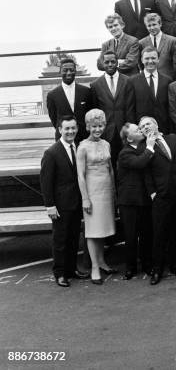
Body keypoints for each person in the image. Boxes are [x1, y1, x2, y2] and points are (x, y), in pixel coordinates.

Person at [40, 115, 89, 287]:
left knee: (74, 238)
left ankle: (71, 269)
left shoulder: (79, 147)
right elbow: (46, 182)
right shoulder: (51, 153)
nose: (71, 131)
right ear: (59, 130)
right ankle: (60, 273)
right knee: (60, 240)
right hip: (60, 205)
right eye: (67, 128)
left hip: (76, 203)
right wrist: (50, 206)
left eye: (73, 128)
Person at [140, 116, 176, 285]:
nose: (146, 127)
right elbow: (145, 172)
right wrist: (152, 193)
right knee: (159, 233)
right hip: (160, 195)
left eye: (148, 124)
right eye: (142, 127)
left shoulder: (174, 139)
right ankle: (157, 269)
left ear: (156, 124)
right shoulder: (144, 147)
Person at [76, 109, 116, 284]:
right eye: (94, 126)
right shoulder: (83, 146)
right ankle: (94, 267)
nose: (97, 129)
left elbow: (110, 169)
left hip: (107, 190)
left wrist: (114, 192)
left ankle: (101, 261)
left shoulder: (106, 144)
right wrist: (85, 198)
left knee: (103, 229)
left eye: (100, 125)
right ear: (87, 127)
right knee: (93, 231)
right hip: (92, 192)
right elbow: (80, 175)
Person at [116, 123, 154, 280]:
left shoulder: (142, 148)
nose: (141, 130)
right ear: (129, 137)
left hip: (144, 199)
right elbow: (139, 163)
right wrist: (150, 148)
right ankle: (130, 268)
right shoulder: (125, 153)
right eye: (137, 130)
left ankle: (147, 265)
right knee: (130, 236)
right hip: (129, 201)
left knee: (146, 234)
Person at [90, 50, 136, 165]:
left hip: (124, 130)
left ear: (117, 63)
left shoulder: (128, 81)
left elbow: (130, 107)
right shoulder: (95, 85)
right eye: (107, 62)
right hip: (105, 131)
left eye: (113, 61)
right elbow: (95, 111)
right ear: (102, 63)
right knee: (107, 162)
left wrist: (129, 130)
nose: (110, 64)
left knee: (126, 162)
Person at [47, 57, 93, 145]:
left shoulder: (86, 92)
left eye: (71, 70)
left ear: (75, 71)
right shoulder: (52, 95)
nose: (68, 73)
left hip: (84, 138)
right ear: (60, 72)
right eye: (65, 70)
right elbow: (54, 119)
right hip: (63, 138)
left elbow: (90, 114)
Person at [130, 47, 173, 135]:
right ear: (142, 60)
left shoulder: (167, 81)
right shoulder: (132, 81)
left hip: (163, 129)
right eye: (147, 58)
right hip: (142, 130)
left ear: (158, 59)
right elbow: (131, 108)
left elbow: (170, 107)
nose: (150, 61)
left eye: (153, 58)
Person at [139, 12, 176, 78]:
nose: (152, 28)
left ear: (160, 24)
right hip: (149, 79)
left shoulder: (172, 41)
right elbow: (141, 64)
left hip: (168, 79)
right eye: (149, 26)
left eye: (154, 24)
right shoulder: (141, 43)